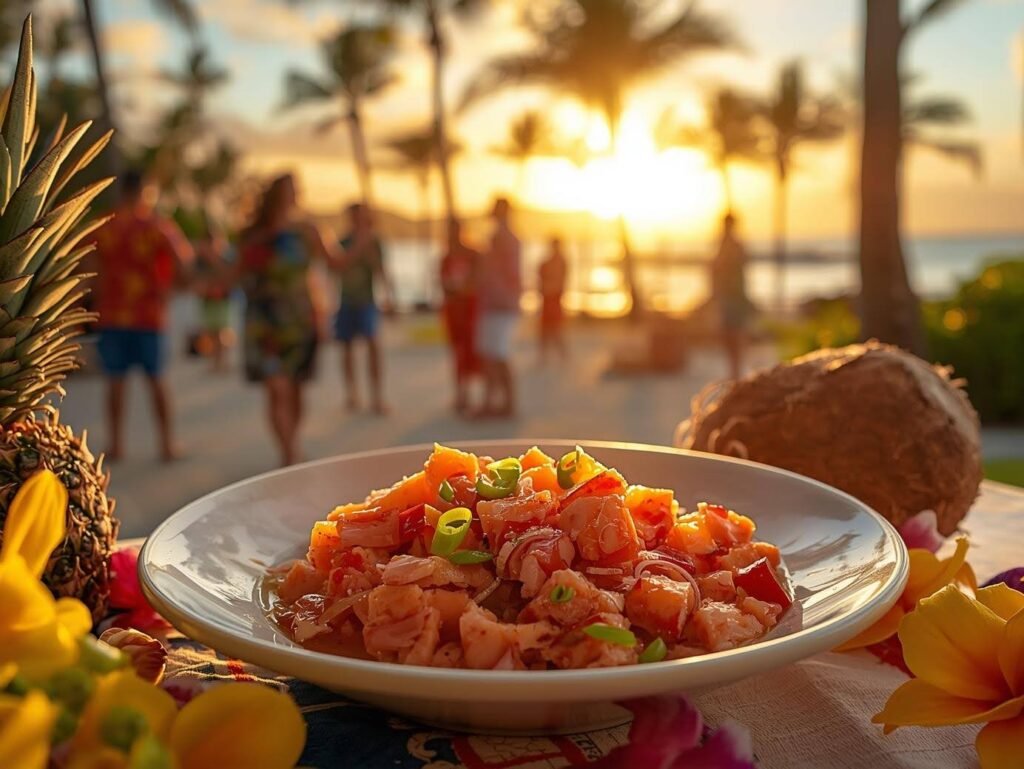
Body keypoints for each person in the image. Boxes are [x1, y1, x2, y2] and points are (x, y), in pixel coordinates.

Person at [91, 170, 193, 462]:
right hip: (149, 315)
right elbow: (183, 260)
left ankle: (117, 444)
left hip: (111, 314)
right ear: (145, 192)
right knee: (156, 380)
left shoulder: (104, 225)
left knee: (115, 381)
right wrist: (172, 287)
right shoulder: (157, 225)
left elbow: (88, 266)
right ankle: (166, 443)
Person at [238, 174, 338, 467]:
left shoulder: (307, 231)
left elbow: (335, 264)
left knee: (295, 388)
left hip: (299, 319)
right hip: (264, 321)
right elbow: (235, 273)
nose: (296, 195)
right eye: (291, 189)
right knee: (276, 388)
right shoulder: (252, 234)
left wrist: (363, 239)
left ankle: (292, 442)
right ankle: (287, 452)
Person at [335, 203, 394, 415]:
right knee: (346, 348)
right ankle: (352, 394)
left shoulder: (374, 241)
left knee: (373, 347)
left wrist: (390, 297)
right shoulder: (344, 241)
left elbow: (381, 269)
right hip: (347, 300)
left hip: (367, 302)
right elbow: (338, 266)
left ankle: (377, 396)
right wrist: (359, 246)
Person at [475, 197, 522, 418]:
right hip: (501, 302)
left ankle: (496, 403)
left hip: (498, 303)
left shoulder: (502, 238)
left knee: (495, 355)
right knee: (495, 354)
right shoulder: (509, 237)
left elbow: (502, 272)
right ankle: (500, 403)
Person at [439, 219, 481, 415]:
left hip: (470, 310)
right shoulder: (446, 258)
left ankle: (471, 395)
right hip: (453, 310)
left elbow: (477, 282)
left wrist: (461, 289)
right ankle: (460, 394)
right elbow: (443, 284)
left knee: (471, 353)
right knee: (457, 353)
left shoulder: (473, 255)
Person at [709, 212, 752, 380]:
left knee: (734, 335)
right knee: (730, 335)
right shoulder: (726, 245)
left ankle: (735, 372)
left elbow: (737, 268)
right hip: (729, 297)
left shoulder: (732, 245)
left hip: (734, 297)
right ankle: (734, 371)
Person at [192, 214, 234, 372]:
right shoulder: (200, 261)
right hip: (207, 300)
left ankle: (221, 361)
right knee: (210, 332)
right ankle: (215, 361)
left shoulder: (224, 257)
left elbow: (229, 276)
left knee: (220, 331)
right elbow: (195, 279)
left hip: (222, 300)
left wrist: (213, 258)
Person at [537, 236, 568, 363]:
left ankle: (562, 356)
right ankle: (544, 356)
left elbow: (562, 281)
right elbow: (540, 278)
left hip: (554, 297)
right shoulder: (548, 262)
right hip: (547, 297)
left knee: (555, 329)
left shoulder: (560, 261)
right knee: (545, 329)